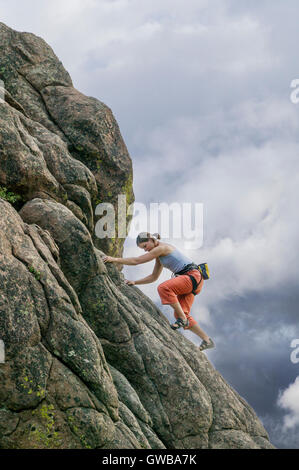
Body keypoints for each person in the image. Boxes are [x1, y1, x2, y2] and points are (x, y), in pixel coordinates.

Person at [102, 232, 215, 352]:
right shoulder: (160, 257)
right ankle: (207, 340)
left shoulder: (161, 248)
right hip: (195, 282)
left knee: (164, 288)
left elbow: (137, 260)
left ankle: (182, 318)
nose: (145, 250)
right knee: (181, 314)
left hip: (192, 276)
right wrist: (135, 282)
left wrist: (113, 259)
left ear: (151, 239)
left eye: (145, 246)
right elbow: (154, 277)